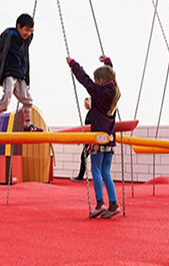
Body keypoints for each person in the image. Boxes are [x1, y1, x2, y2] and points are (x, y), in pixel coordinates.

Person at [67, 55, 121, 219]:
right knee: (106, 172)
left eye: (97, 80)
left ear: (101, 81)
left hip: (98, 138)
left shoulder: (98, 93)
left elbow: (85, 80)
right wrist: (108, 62)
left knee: (96, 170)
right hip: (109, 140)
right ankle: (113, 203)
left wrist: (73, 64)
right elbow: (112, 77)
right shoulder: (114, 91)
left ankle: (100, 203)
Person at [0, 13, 42, 132]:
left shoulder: (25, 41)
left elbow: (28, 41)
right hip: (10, 73)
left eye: (31, 31)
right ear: (18, 26)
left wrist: (29, 32)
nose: (28, 33)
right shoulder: (9, 36)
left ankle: (27, 124)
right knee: (8, 93)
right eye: (26, 30)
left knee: (28, 100)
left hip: (21, 76)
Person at [71, 97, 92, 182]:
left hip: (91, 140)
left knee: (84, 156)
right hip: (89, 139)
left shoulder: (92, 114)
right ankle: (80, 176)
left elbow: (90, 128)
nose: (84, 105)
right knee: (84, 156)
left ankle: (80, 176)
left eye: (85, 104)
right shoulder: (90, 113)